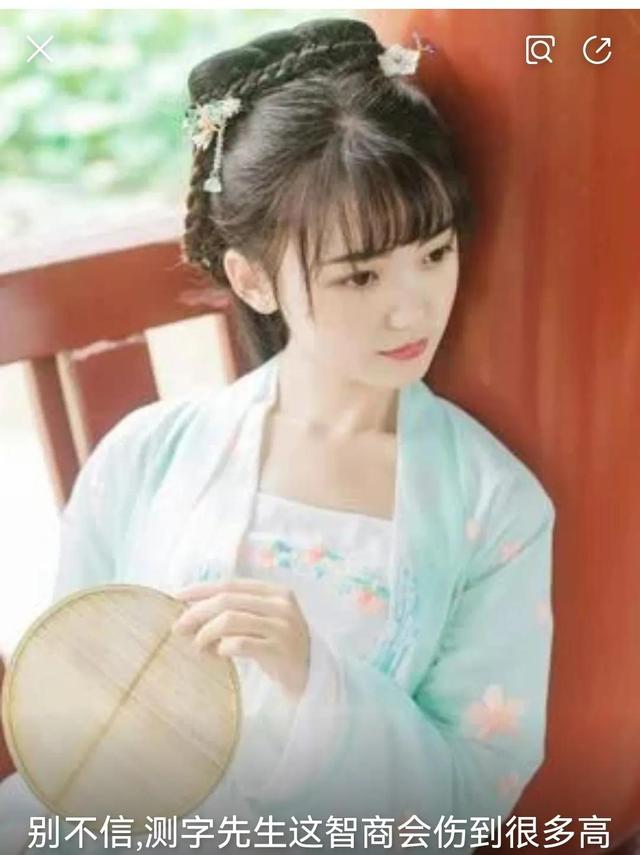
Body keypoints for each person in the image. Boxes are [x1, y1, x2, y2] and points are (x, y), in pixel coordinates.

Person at [0, 17, 556, 855]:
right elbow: (72, 708)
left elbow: (471, 797)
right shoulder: (146, 456)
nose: (411, 308)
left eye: (434, 252)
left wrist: (313, 678)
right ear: (253, 278)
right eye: (361, 275)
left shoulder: (494, 508)